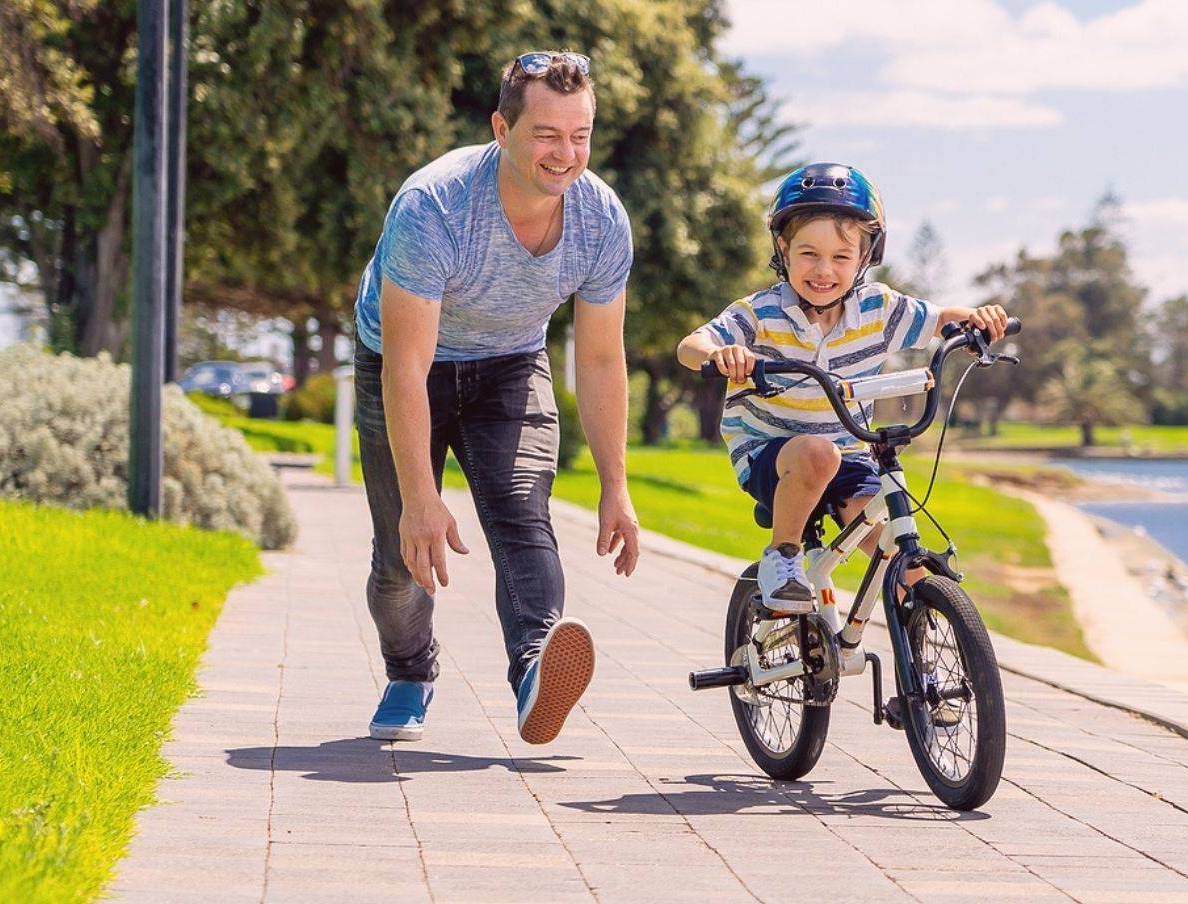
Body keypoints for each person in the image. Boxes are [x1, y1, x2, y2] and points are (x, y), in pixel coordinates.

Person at [350, 50, 640, 745]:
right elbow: (407, 366)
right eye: (546, 134)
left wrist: (616, 485)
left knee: (519, 510)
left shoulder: (601, 220)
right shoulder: (435, 207)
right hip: (401, 364)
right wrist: (422, 497)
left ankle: (537, 668)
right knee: (401, 560)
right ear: (502, 130)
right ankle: (409, 670)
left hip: (510, 363)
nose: (565, 154)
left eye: (580, 135)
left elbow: (599, 359)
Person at [675, 163, 1008, 612]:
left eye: (841, 257)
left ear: (865, 256)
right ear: (783, 248)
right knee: (817, 454)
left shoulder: (879, 309)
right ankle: (783, 557)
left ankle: (924, 653)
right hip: (770, 453)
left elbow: (941, 318)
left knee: (898, 555)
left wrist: (977, 320)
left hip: (848, 453)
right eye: (809, 254)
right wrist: (721, 355)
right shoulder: (759, 313)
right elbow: (690, 345)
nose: (824, 270)